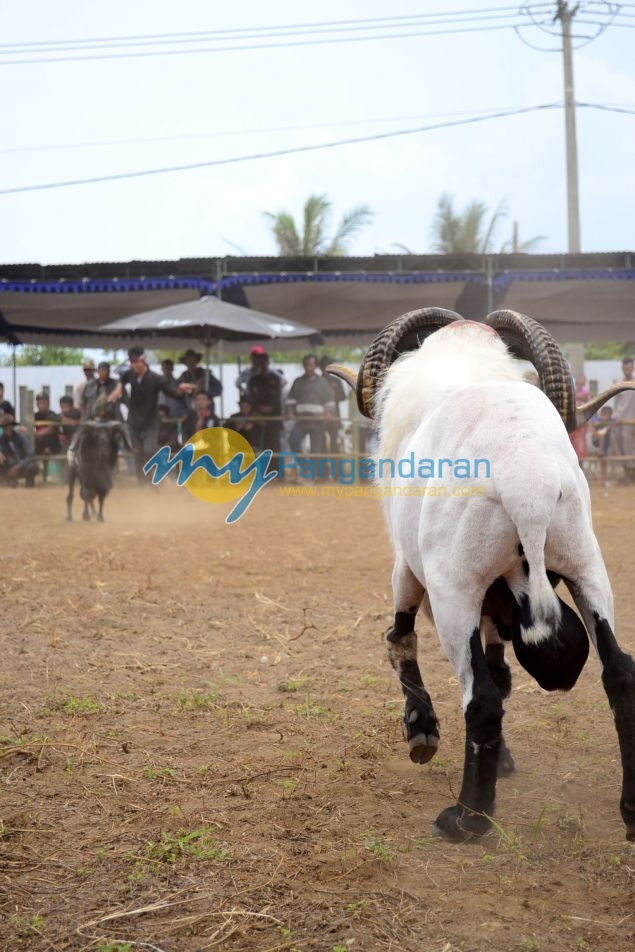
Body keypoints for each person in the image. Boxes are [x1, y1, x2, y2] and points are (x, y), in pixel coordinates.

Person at [114, 346, 195, 483]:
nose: (134, 364)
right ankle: (144, 486)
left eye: (136, 361)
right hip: (134, 422)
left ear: (143, 359)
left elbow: (171, 391)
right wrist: (118, 388)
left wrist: (180, 391)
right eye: (132, 361)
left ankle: (163, 472)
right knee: (138, 453)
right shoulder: (129, 374)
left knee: (149, 449)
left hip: (150, 422)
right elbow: (121, 378)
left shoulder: (156, 378)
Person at [286, 354, 335, 465]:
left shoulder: (323, 382)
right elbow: (290, 399)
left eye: (311, 365)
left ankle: (313, 476)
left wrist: (329, 412)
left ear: (315, 366)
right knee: (293, 440)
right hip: (301, 420)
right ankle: (305, 467)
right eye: (306, 365)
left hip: (318, 420)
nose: (308, 367)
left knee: (316, 450)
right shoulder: (297, 382)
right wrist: (289, 411)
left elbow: (329, 400)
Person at [246, 351, 283, 472]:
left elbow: (277, 397)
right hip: (258, 416)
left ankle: (277, 472)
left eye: (263, 362)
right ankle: (261, 471)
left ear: (268, 363)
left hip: (273, 417)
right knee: (259, 444)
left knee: (274, 444)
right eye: (259, 363)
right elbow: (252, 398)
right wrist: (258, 411)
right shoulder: (253, 380)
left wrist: (270, 409)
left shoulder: (275, 379)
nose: (261, 365)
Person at [178, 349, 222, 417]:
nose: (191, 362)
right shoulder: (183, 377)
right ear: (185, 362)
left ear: (196, 361)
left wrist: (205, 389)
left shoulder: (205, 374)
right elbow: (178, 395)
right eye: (189, 360)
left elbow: (219, 389)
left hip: (207, 411)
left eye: (193, 360)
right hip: (190, 412)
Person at [0, 414, 38, 487]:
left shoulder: (22, 437)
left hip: (24, 465)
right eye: (5, 426)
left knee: (32, 467)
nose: (8, 428)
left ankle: (29, 485)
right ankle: (9, 481)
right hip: (10, 466)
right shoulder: (2, 439)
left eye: (10, 425)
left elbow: (31, 455)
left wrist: (18, 466)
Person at [613, 358, 635, 484]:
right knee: (619, 446)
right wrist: (615, 417)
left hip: (631, 420)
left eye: (629, 366)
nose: (627, 369)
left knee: (630, 446)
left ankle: (632, 473)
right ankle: (626, 474)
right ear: (622, 368)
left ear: (632, 368)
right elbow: (616, 403)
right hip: (619, 421)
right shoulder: (618, 383)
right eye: (625, 367)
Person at [319, 355, 346, 454]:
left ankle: (336, 467)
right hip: (321, 415)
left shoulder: (336, 380)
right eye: (323, 366)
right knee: (321, 442)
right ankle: (324, 468)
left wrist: (334, 393)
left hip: (334, 415)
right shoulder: (318, 380)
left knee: (334, 442)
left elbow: (343, 396)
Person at [33, 392, 62, 482]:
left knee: (51, 436)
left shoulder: (53, 415)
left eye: (43, 403)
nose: (41, 405)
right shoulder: (35, 416)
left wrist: (41, 433)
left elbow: (55, 429)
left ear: (48, 403)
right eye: (39, 403)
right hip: (40, 444)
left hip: (53, 445)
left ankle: (47, 449)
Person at [590, 404, 616, 487]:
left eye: (607, 415)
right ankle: (600, 451)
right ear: (601, 414)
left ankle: (603, 480)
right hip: (596, 441)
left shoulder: (611, 420)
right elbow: (592, 421)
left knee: (604, 463)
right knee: (601, 434)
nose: (605, 417)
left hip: (605, 445)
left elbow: (617, 420)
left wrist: (610, 426)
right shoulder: (597, 420)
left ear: (610, 416)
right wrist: (594, 429)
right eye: (603, 414)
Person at [570, 374, 591, 464]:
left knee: (580, 442)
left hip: (582, 419)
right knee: (571, 439)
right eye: (578, 382)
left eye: (581, 382)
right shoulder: (572, 390)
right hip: (573, 418)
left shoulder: (586, 392)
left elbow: (590, 402)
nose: (579, 384)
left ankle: (580, 463)